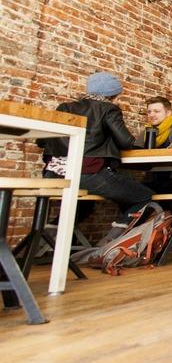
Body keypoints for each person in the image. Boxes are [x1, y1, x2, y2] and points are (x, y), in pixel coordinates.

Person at [39, 72, 153, 242]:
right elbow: (126, 142)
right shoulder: (108, 109)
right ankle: (111, 242)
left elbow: (42, 141)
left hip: (53, 174)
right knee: (144, 196)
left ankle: (48, 236)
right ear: (113, 94)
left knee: (84, 203)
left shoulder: (65, 107)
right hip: (86, 174)